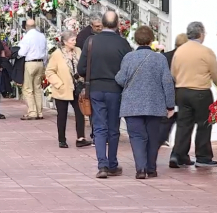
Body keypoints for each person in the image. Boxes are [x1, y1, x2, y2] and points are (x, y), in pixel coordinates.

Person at [77, 11, 132, 179]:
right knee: (113, 128)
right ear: (117, 25)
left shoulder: (91, 41)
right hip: (115, 88)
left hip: (95, 88)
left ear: (102, 23)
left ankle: (102, 165)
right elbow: (128, 69)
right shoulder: (123, 44)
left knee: (99, 127)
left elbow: (81, 69)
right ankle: (113, 164)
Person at [115, 26, 175, 179]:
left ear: (135, 40)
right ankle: (151, 168)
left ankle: (140, 169)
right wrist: (170, 105)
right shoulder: (160, 58)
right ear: (151, 40)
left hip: (132, 105)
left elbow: (121, 79)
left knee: (137, 137)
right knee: (153, 137)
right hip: (154, 105)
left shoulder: (128, 57)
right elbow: (167, 82)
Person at [170, 22, 217, 168]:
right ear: (201, 34)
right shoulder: (206, 51)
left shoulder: (179, 51)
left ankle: (177, 155)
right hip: (200, 92)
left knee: (183, 124)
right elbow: (214, 73)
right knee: (204, 124)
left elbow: (173, 73)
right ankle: (203, 157)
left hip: (182, 91)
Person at [45, 30, 92, 148]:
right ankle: (62, 139)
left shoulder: (78, 51)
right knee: (62, 115)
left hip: (77, 87)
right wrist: (59, 84)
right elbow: (49, 71)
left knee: (80, 113)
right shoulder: (56, 54)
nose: (75, 42)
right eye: (72, 40)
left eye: (75, 40)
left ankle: (81, 138)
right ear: (65, 42)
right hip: (63, 89)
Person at [76, 12, 103, 146]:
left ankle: (102, 134)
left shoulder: (108, 35)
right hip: (91, 77)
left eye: (101, 26)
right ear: (91, 25)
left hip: (104, 76)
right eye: (97, 26)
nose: (100, 28)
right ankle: (96, 134)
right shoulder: (83, 37)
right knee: (94, 109)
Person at [159, 33, 189, 147]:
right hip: (183, 98)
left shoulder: (164, 57)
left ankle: (151, 154)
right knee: (184, 129)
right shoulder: (187, 59)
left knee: (164, 126)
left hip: (166, 98)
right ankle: (180, 156)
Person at [18, 19, 47, 120]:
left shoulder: (27, 36)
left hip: (30, 63)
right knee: (37, 88)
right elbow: (45, 51)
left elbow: (22, 52)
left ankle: (32, 112)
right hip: (40, 62)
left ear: (26, 26)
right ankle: (39, 112)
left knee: (28, 88)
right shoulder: (42, 36)